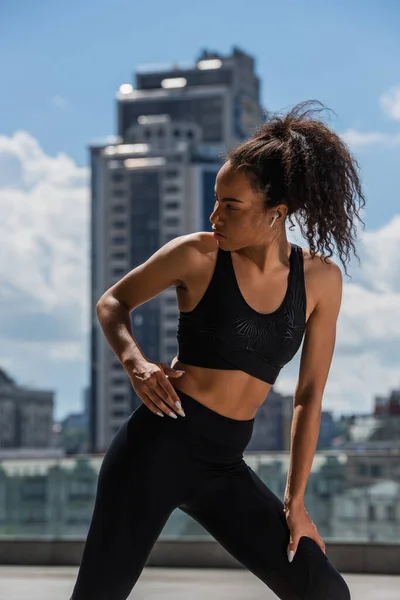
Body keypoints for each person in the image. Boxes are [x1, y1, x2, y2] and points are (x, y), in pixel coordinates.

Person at [69, 100, 365, 600]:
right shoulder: (197, 255)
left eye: (232, 206)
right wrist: (135, 363)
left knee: (324, 591)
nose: (215, 216)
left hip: (225, 463)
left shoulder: (320, 281)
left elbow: (308, 396)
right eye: (215, 200)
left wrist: (295, 502)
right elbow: (113, 301)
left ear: (277, 213)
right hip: (156, 449)